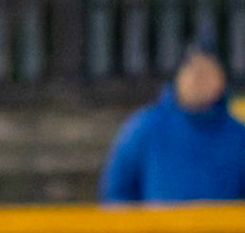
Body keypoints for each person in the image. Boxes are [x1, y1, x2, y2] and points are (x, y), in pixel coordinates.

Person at [100, 32, 245, 202]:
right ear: (178, 77)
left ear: (222, 80)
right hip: (158, 228)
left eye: (208, 72)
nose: (198, 80)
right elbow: (117, 193)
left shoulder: (238, 137)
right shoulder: (145, 128)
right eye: (193, 71)